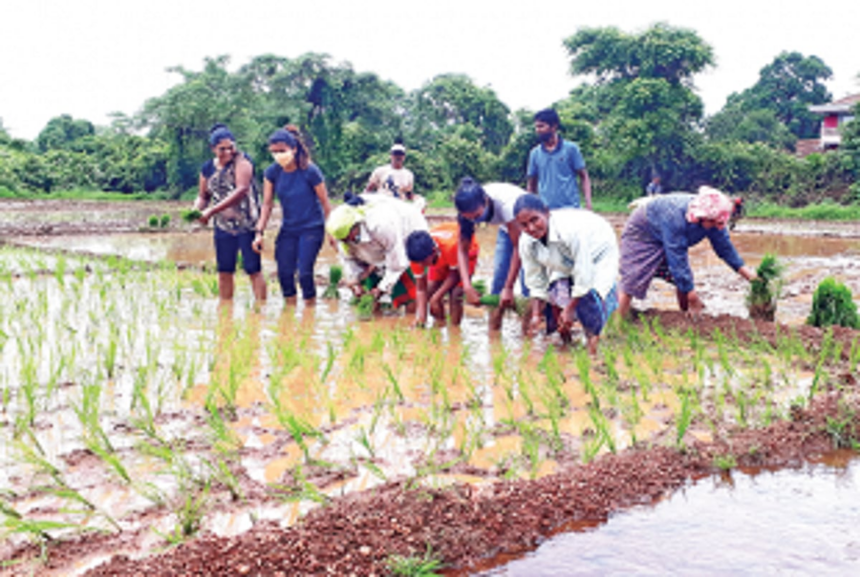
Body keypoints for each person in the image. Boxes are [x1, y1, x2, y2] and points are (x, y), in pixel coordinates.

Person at [617, 186, 757, 319]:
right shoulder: (676, 217)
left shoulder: (714, 218)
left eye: (719, 223)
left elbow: (725, 249)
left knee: (683, 280)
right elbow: (678, 258)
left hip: (666, 236)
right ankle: (616, 324)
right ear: (703, 217)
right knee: (632, 279)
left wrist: (750, 276)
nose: (717, 227)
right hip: (643, 234)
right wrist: (692, 296)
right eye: (714, 223)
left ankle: (684, 317)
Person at [514, 195, 619, 354]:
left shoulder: (569, 231)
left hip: (597, 247)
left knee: (590, 299)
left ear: (546, 213)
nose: (531, 228)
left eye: (535, 220)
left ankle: (592, 353)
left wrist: (570, 308)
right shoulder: (526, 242)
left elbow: (583, 274)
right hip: (563, 256)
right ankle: (567, 346)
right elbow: (535, 279)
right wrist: (536, 314)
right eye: (524, 225)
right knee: (556, 293)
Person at [253, 126, 332, 305]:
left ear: (294, 149)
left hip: (312, 227)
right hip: (289, 228)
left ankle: (309, 312)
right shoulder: (272, 172)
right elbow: (267, 204)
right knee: (284, 273)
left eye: (282, 151)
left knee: (304, 273)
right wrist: (259, 232)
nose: (278, 155)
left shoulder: (310, 171)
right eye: (274, 152)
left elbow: (325, 203)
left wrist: (332, 232)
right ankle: (289, 312)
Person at [194, 123, 266, 303]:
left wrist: (212, 211)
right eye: (222, 149)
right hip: (223, 226)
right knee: (225, 270)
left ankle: (261, 309)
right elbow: (203, 196)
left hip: (247, 225)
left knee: (253, 269)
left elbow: (241, 190)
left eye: (231, 147)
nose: (228, 152)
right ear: (213, 149)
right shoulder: (208, 169)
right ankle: (226, 309)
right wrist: (196, 211)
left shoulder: (242, 162)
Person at [325, 194, 428, 310]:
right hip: (378, 248)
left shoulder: (381, 226)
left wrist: (381, 289)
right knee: (372, 295)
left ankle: (411, 315)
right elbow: (348, 259)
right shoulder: (341, 232)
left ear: (356, 226)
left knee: (409, 296)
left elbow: (397, 264)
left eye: (349, 237)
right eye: (344, 240)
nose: (348, 242)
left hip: (405, 238)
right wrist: (356, 283)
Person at [454, 178, 528, 331]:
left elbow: (519, 247)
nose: (474, 220)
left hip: (529, 229)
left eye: (477, 216)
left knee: (528, 285)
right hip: (506, 228)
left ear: (486, 201)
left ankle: (528, 333)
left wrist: (509, 288)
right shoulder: (466, 212)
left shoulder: (507, 205)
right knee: (497, 286)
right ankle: (493, 334)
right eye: (469, 218)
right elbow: (462, 249)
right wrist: (467, 286)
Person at [406, 221, 479, 327]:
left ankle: (454, 329)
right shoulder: (417, 258)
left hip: (466, 251)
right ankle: (440, 323)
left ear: (434, 251)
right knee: (431, 289)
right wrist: (421, 318)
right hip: (442, 256)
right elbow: (421, 289)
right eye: (419, 263)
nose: (421, 265)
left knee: (456, 294)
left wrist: (437, 297)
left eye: (424, 262)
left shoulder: (450, 247)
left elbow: (455, 275)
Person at [526, 108, 592, 210]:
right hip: (547, 211)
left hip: (571, 209)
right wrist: (530, 208)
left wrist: (588, 203)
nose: (538, 130)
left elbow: (584, 177)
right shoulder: (535, 153)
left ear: (554, 126)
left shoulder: (571, 149)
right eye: (536, 127)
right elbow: (531, 185)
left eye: (541, 126)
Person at [365, 143, 425, 211]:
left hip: (399, 207)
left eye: (400, 154)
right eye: (395, 154)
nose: (398, 157)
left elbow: (408, 194)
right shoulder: (380, 171)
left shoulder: (409, 175)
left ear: (404, 157)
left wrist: (418, 198)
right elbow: (369, 189)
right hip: (382, 207)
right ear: (391, 156)